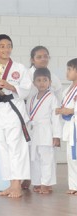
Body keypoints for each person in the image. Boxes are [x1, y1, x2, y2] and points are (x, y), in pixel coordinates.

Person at [0, 34, 32, 198]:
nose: (6, 49)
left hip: (15, 111)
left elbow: (26, 90)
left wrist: (9, 85)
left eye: (9, 45)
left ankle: (18, 185)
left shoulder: (19, 68)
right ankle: (10, 184)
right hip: (0, 113)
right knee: (4, 149)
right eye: (2, 46)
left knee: (17, 148)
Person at [26, 68, 61, 194]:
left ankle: (46, 184)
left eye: (45, 80)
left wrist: (56, 136)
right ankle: (37, 182)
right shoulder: (31, 99)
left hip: (47, 132)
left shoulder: (52, 98)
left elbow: (56, 118)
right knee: (34, 159)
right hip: (33, 132)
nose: (42, 83)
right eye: (39, 80)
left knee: (47, 159)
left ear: (50, 82)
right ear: (34, 82)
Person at [55, 58, 77, 195]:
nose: (67, 72)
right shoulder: (68, 89)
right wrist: (63, 111)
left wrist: (69, 111)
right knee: (71, 157)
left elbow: (71, 109)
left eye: (70, 69)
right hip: (70, 126)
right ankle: (74, 185)